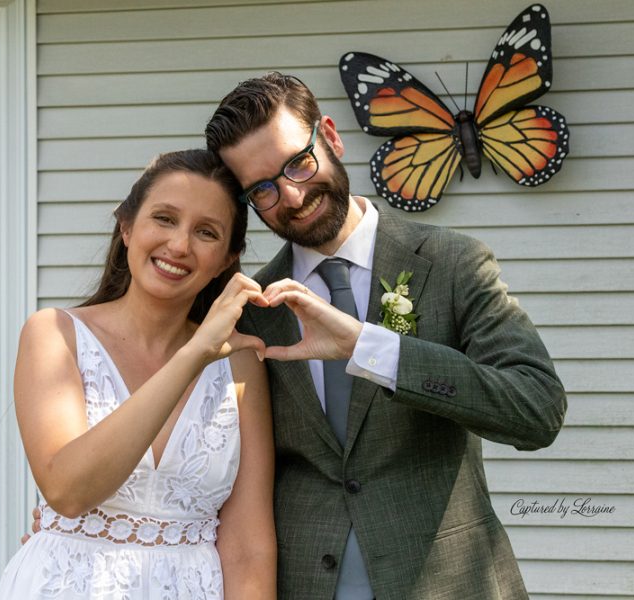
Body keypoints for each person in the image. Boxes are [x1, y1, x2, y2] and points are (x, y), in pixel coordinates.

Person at [202, 73, 567, 599]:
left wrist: (370, 350)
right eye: (262, 189)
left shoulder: (451, 264)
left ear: (330, 135)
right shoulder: (252, 310)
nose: (293, 194)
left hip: (448, 583)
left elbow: (537, 411)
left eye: (298, 162)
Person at [0, 149, 277, 599]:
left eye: (206, 232)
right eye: (164, 219)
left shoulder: (242, 365)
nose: (180, 245)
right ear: (127, 227)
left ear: (227, 259)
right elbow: (68, 491)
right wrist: (194, 355)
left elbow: (248, 547)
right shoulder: (54, 334)